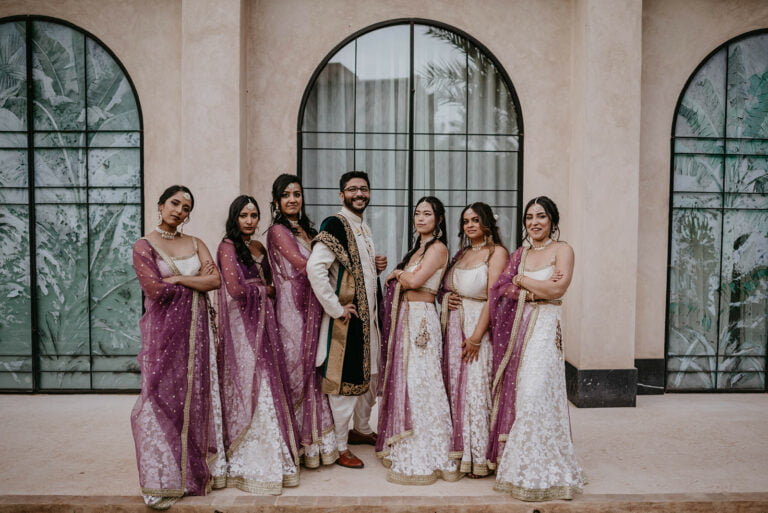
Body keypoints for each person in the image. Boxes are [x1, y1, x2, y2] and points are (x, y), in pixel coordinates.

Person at [130, 185, 225, 510]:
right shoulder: (144, 246)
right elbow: (154, 290)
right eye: (174, 203)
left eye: (186, 207)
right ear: (161, 205)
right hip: (163, 337)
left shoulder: (196, 242)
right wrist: (195, 277)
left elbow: (215, 282)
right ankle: (162, 478)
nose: (179, 211)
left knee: (193, 399)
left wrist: (180, 280)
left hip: (198, 336)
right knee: (160, 398)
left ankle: (190, 475)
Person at [487, 196, 584, 501]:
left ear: (552, 220)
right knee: (526, 397)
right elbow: (501, 288)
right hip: (522, 330)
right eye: (529, 217)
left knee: (536, 393)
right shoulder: (521, 253)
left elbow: (557, 289)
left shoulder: (562, 250)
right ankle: (524, 468)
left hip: (546, 332)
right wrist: (529, 287)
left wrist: (522, 279)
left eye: (541, 216)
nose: (534, 222)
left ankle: (547, 469)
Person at [216, 195, 301, 494]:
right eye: (244, 216)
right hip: (241, 324)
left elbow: (276, 287)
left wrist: (268, 290)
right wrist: (264, 289)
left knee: (267, 381)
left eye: (254, 215)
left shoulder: (259, 247)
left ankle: (272, 450)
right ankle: (244, 451)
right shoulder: (227, 247)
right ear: (234, 218)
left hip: (264, 323)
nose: (250, 221)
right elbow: (236, 290)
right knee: (248, 379)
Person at [376, 196, 460, 484]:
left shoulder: (438, 248)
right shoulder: (417, 250)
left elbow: (412, 282)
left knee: (424, 380)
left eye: (427, 213)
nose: (420, 218)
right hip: (406, 317)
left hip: (422, 318)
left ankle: (432, 448)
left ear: (439, 219)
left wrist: (397, 273)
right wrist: (399, 274)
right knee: (409, 380)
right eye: (417, 213)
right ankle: (408, 440)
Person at [306, 171, 387, 469]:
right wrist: (336, 309)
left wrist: (375, 267)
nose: (359, 194)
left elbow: (355, 272)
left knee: (372, 375)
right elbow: (315, 269)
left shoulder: (363, 227)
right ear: (341, 195)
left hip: (370, 321)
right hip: (347, 322)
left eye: (364, 189)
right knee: (345, 383)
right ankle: (340, 446)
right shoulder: (335, 224)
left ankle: (361, 429)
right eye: (352, 189)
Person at [266, 175, 337, 468]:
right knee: (295, 367)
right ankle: (294, 441)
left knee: (312, 369)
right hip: (291, 309)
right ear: (278, 202)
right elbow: (302, 264)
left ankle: (315, 445)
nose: (293, 199)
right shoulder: (277, 231)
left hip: (313, 306)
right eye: (286, 195)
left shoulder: (308, 230)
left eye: (297, 194)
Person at [439, 202, 508, 478]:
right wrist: (447, 297)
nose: (470, 225)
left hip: (478, 325)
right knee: (457, 387)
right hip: (456, 326)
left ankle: (479, 456)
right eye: (466, 221)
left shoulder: (497, 252)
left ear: (487, 222)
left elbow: (494, 296)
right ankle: (460, 451)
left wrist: (477, 337)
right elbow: (447, 285)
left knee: (476, 389)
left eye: (475, 220)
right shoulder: (462, 253)